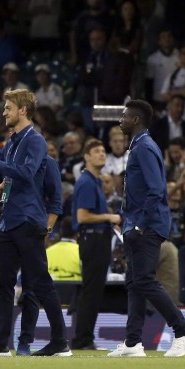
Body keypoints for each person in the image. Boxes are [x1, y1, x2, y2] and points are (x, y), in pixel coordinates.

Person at [0, 89, 71, 357]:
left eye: (8, 108)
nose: (4, 112)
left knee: (39, 282)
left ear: (22, 110)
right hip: (7, 223)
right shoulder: (12, 143)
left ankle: (60, 341)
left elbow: (27, 173)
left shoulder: (36, 141)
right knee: (0, 283)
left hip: (28, 220)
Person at [108, 99, 185, 357]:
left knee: (145, 280)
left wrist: (138, 224)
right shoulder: (140, 146)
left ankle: (184, 331)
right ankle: (133, 343)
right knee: (134, 282)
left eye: (124, 116)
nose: (121, 120)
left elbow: (157, 189)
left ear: (136, 120)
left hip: (146, 225)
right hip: (139, 223)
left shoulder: (144, 147)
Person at [71, 139, 121, 350]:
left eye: (103, 151)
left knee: (93, 290)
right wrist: (110, 217)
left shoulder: (95, 181)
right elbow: (82, 217)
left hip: (97, 239)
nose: (102, 154)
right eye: (97, 151)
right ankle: (82, 340)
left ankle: (85, 338)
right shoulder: (86, 182)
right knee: (91, 290)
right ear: (87, 157)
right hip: (92, 238)